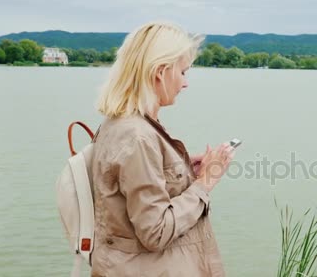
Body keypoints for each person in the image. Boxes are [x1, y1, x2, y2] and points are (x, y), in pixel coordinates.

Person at [90, 22, 233, 276]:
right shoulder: (137, 137)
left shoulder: (123, 125)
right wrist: (205, 183)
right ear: (160, 72)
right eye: (183, 72)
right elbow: (155, 232)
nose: (185, 83)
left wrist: (186, 171)